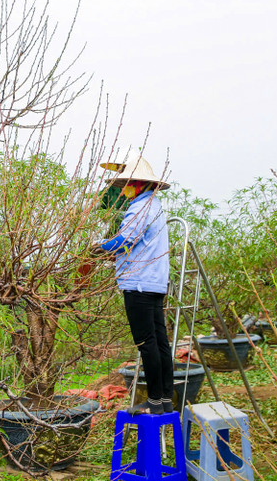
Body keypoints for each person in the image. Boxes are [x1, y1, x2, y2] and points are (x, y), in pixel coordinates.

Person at [97, 155, 175, 415]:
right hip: (154, 283)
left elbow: (125, 241)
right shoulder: (155, 206)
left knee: (147, 344)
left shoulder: (139, 207)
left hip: (138, 284)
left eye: (128, 183)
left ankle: (153, 401)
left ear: (139, 183)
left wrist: (97, 248)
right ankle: (164, 398)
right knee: (160, 342)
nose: (124, 188)